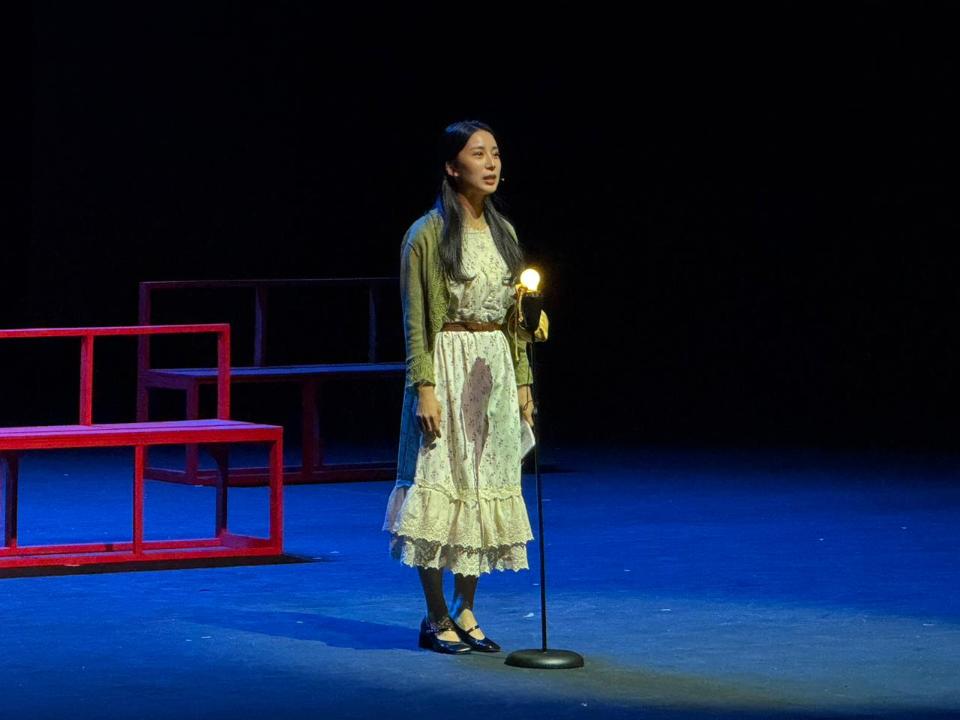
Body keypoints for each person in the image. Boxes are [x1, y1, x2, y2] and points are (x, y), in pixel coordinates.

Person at [382, 120, 536, 654]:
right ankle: (435, 615)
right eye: (478, 154)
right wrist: (423, 386)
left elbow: (515, 320)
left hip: (493, 371)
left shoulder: (504, 232)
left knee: (481, 489)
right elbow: (415, 321)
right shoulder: (425, 235)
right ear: (452, 167)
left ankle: (467, 610)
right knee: (438, 485)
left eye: (496, 153)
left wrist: (523, 381)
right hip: (446, 366)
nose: (491, 163)